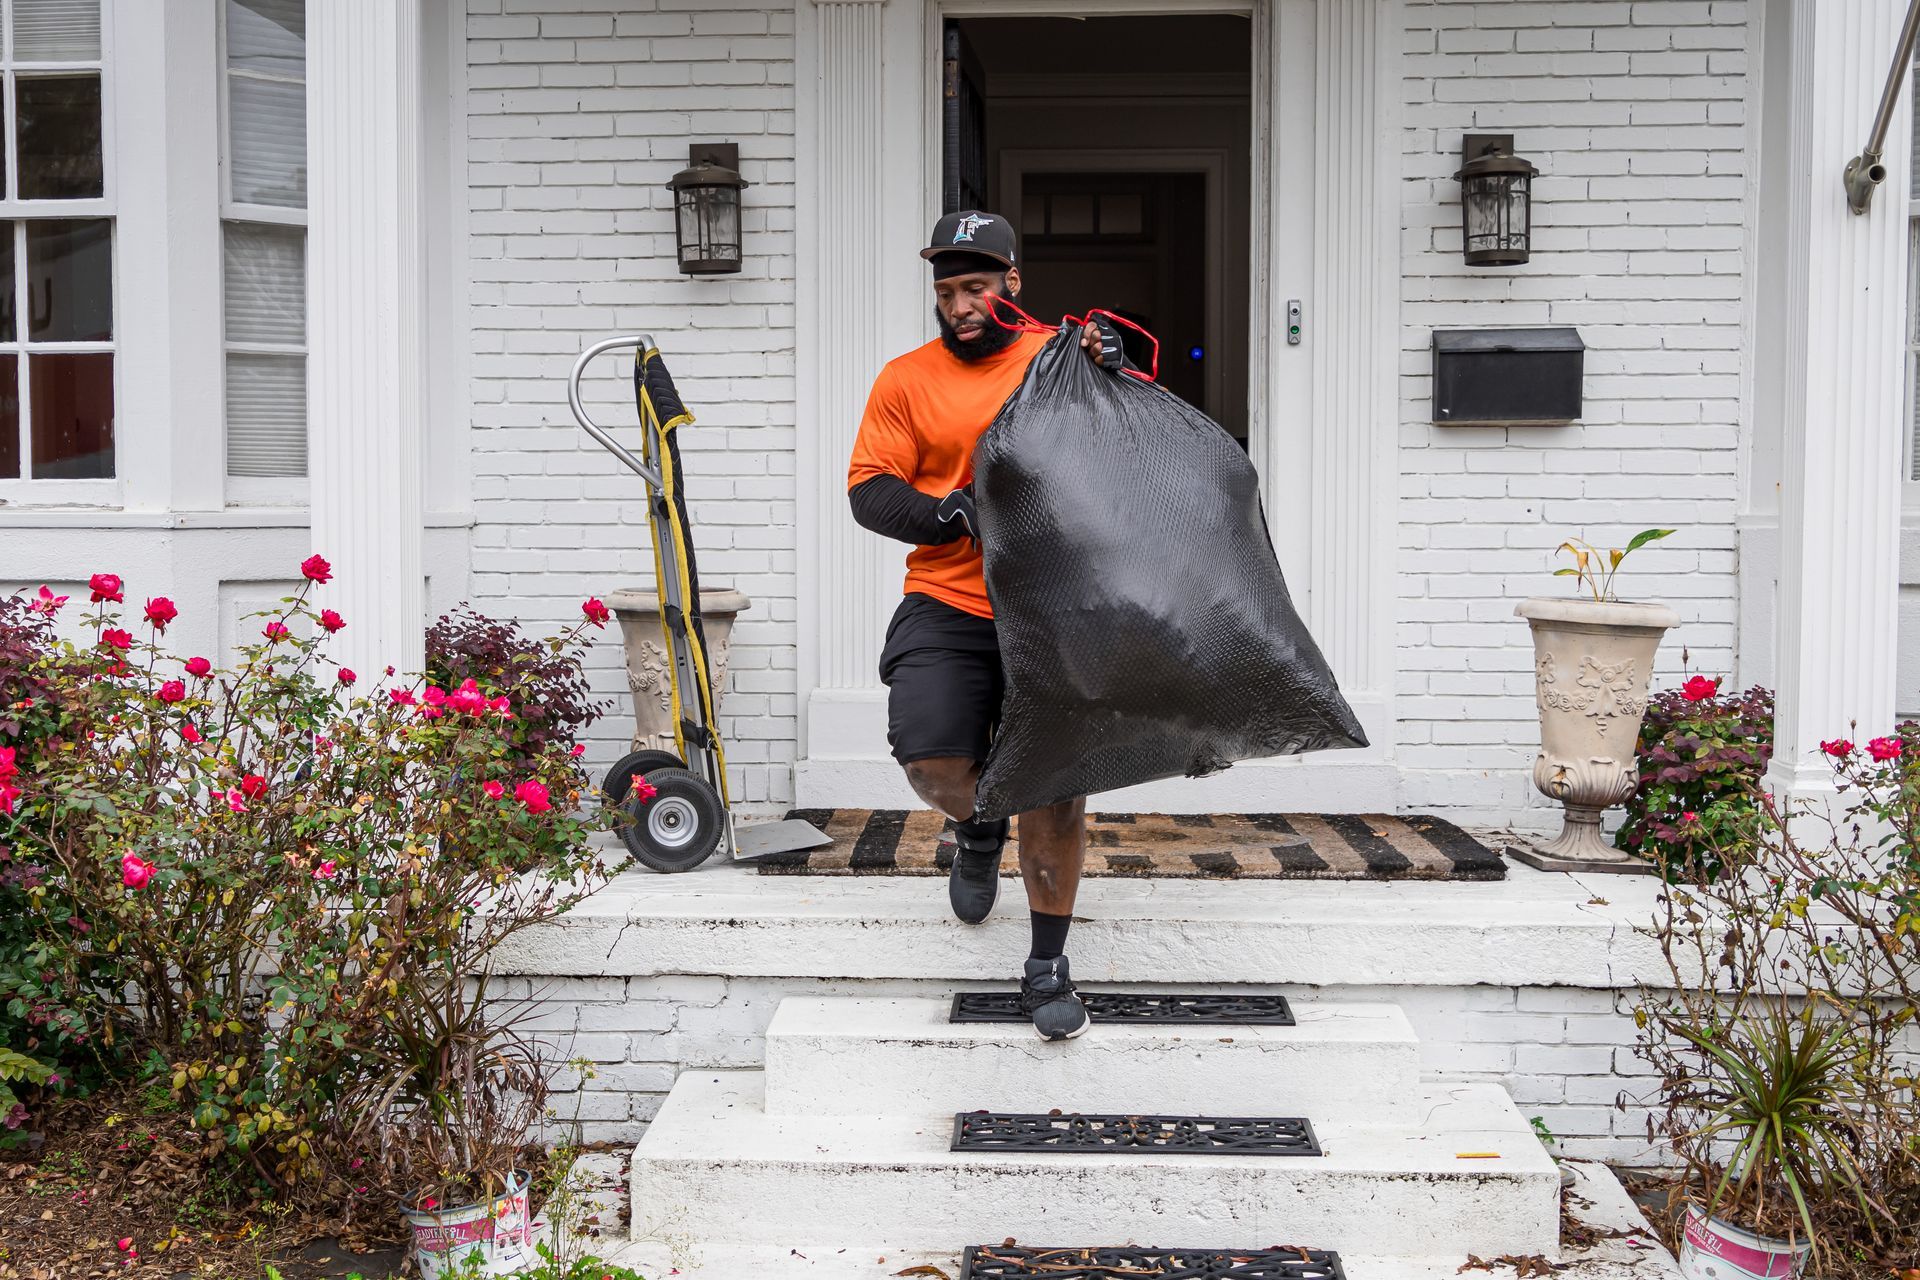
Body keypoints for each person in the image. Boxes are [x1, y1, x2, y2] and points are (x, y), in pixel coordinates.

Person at [845, 210, 1122, 1041]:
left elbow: (1139, 437)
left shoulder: (1063, 359)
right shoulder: (906, 378)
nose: (961, 304)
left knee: (1055, 786)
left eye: (976, 286)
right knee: (930, 761)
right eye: (947, 290)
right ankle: (977, 824)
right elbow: (869, 489)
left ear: (1012, 285)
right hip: (949, 597)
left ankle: (1046, 964)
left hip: (1055, 604)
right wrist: (947, 514)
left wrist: (1119, 362)